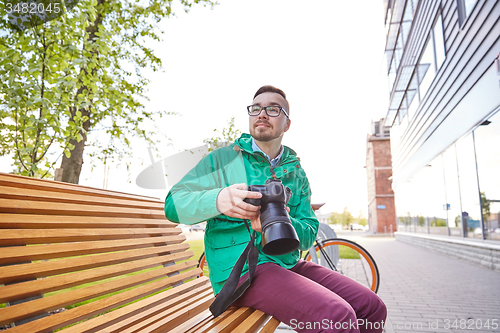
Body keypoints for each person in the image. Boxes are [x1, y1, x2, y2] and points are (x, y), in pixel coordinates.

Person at [164, 85, 387, 333]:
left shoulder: (295, 171)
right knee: (336, 316)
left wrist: (284, 221)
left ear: (287, 124)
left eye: (273, 109)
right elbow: (173, 205)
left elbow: (309, 231)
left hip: (286, 263)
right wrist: (219, 200)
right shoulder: (224, 159)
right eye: (256, 108)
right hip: (240, 270)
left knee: (371, 307)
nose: (262, 114)